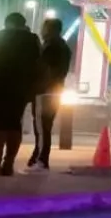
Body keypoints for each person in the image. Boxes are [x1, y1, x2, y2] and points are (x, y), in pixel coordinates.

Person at [0, 12, 41, 176]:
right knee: (14, 124)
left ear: (8, 24)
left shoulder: (2, 36)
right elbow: (38, 62)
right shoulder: (32, 39)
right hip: (21, 87)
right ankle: (9, 164)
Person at [25, 17, 70, 173]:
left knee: (42, 127)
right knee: (45, 126)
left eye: (44, 28)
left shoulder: (51, 46)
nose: (42, 31)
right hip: (55, 90)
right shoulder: (63, 46)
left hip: (45, 91)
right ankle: (37, 157)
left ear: (49, 29)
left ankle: (42, 161)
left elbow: (43, 68)